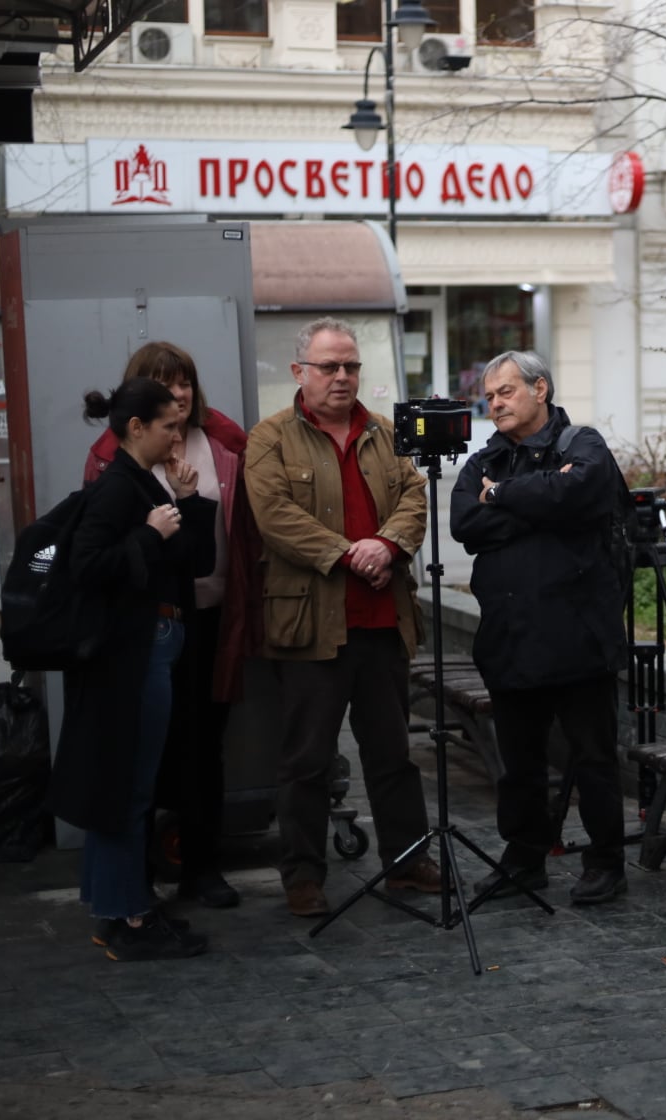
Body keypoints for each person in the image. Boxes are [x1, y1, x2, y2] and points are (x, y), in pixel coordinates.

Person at [244, 317, 439, 917]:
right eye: (329, 366)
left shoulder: (385, 434)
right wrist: (348, 553)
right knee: (306, 760)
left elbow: (413, 497)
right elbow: (273, 515)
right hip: (312, 629)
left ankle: (408, 864)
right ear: (299, 372)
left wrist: (389, 544)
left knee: (392, 756)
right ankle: (303, 877)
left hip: (383, 623)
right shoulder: (270, 438)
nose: (342, 377)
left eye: (351, 366)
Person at [449, 351, 629, 906]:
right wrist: (541, 502)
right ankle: (524, 860)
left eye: (505, 392)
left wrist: (503, 498)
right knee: (519, 765)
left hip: (579, 638)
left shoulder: (584, 446)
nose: (494, 403)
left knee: (594, 758)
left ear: (540, 389)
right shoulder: (485, 460)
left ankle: (606, 863)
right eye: (490, 395)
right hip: (510, 639)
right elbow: (464, 522)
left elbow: (575, 493)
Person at [84, 341, 254, 909]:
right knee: (144, 749)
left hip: (210, 616)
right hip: (145, 626)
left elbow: (219, 545)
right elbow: (98, 557)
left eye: (184, 382)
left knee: (205, 745)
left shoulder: (226, 441)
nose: (178, 394)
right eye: (164, 384)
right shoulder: (114, 461)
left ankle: (203, 868)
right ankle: (135, 885)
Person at [52, 377, 216, 961]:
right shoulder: (118, 487)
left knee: (124, 782)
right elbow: (87, 566)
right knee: (129, 785)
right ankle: (132, 919)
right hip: (134, 651)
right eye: (169, 426)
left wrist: (188, 502)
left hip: (152, 643)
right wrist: (149, 535)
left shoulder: (143, 482)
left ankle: (113, 904)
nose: (179, 435)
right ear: (136, 428)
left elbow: (193, 561)